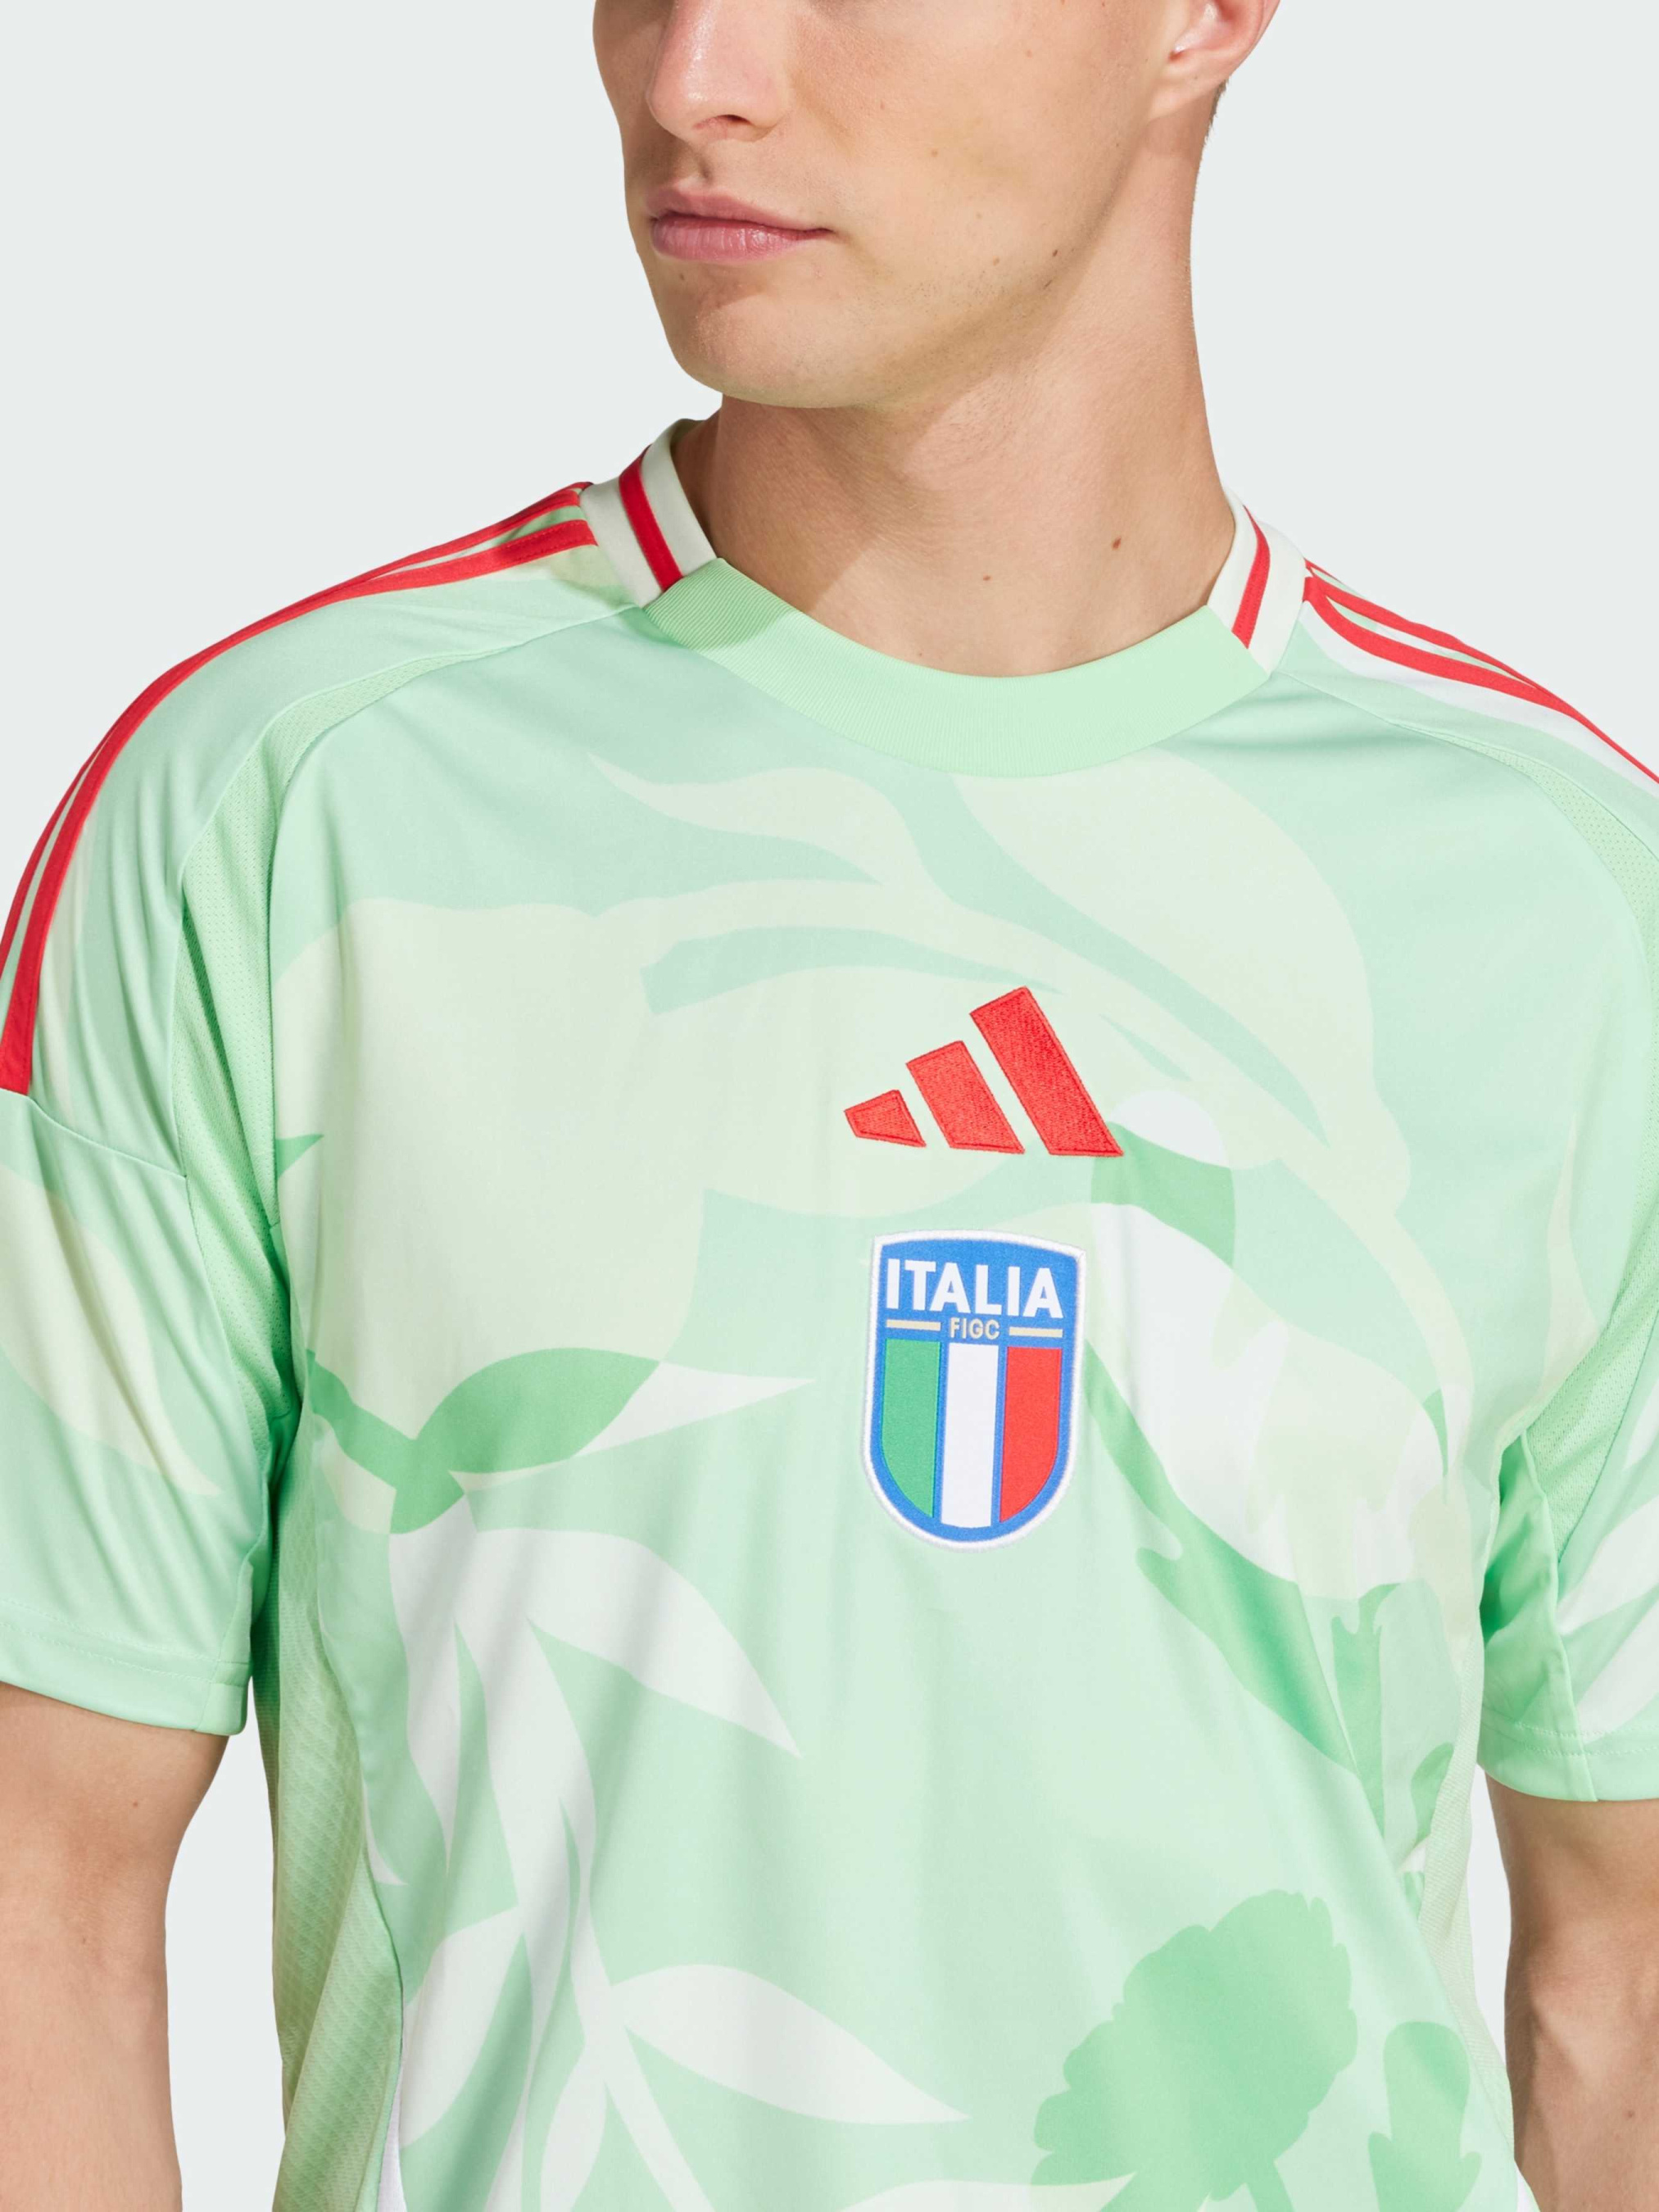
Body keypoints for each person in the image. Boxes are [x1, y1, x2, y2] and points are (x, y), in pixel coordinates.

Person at [2, 0, 1656, 2205]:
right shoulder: (290, 811)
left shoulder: (1564, 908)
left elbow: (1624, 1978)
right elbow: (41, 1892)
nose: (693, 74)